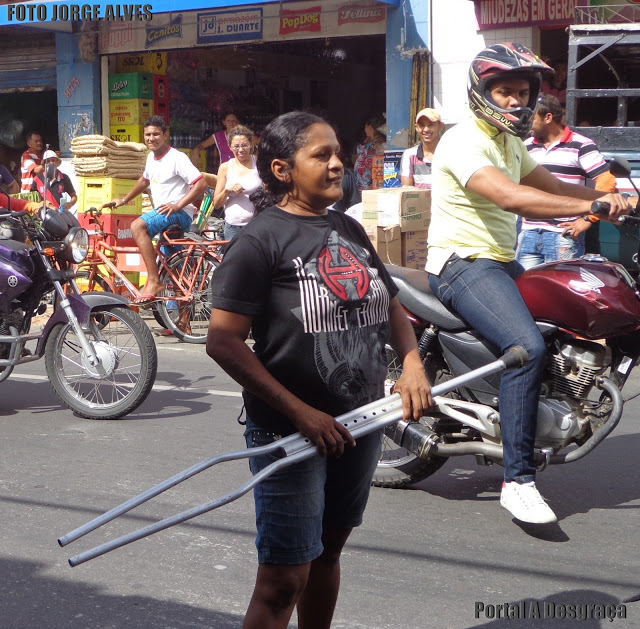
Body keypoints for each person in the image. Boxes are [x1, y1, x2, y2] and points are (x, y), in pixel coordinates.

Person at [206, 111, 432, 629]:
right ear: (283, 169)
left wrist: (413, 363)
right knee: (284, 578)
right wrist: (302, 413)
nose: (337, 164)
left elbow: (391, 303)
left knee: (328, 554)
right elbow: (223, 341)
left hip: (360, 423)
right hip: (292, 431)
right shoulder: (260, 241)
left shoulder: (347, 226)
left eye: (338, 153)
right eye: (321, 155)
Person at [426, 43, 633, 525]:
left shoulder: (509, 142)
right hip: (462, 263)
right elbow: (514, 197)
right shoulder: (463, 142)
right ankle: (517, 480)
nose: (516, 102)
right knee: (525, 348)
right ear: (482, 93)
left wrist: (616, 197)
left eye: (522, 93)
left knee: (562, 321)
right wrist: (593, 208)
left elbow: (555, 187)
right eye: (505, 92)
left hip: (501, 261)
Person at [105, 116, 207, 309]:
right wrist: (124, 199)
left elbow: (200, 184)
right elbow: (144, 181)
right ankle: (182, 324)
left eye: (156, 134)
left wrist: (178, 205)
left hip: (177, 214)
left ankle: (153, 280)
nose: (151, 138)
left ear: (165, 135)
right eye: (148, 134)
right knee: (176, 269)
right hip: (166, 216)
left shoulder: (177, 158)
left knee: (137, 226)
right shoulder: (151, 157)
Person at [516, 93, 614, 268]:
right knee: (526, 291)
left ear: (548, 117)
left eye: (532, 117)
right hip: (528, 233)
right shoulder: (526, 146)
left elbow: (606, 180)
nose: (527, 121)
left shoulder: (581, 144)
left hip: (562, 235)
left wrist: (589, 218)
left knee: (560, 292)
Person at [212, 125, 262, 242]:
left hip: (257, 225)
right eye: (236, 146)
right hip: (233, 227)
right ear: (230, 147)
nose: (240, 150)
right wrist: (227, 190)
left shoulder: (259, 163)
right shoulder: (225, 167)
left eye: (244, 145)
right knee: (234, 259)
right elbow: (217, 203)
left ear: (251, 144)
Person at [400, 108, 445, 189]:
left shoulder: (450, 153)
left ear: (440, 126)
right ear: (416, 128)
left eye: (431, 124)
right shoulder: (409, 155)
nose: (426, 129)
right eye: (422, 125)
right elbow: (407, 191)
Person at [353, 114, 386, 191]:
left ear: (370, 127)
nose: (365, 129)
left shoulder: (379, 144)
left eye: (365, 126)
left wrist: (374, 184)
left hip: (370, 185)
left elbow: (379, 166)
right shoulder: (368, 141)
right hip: (361, 184)